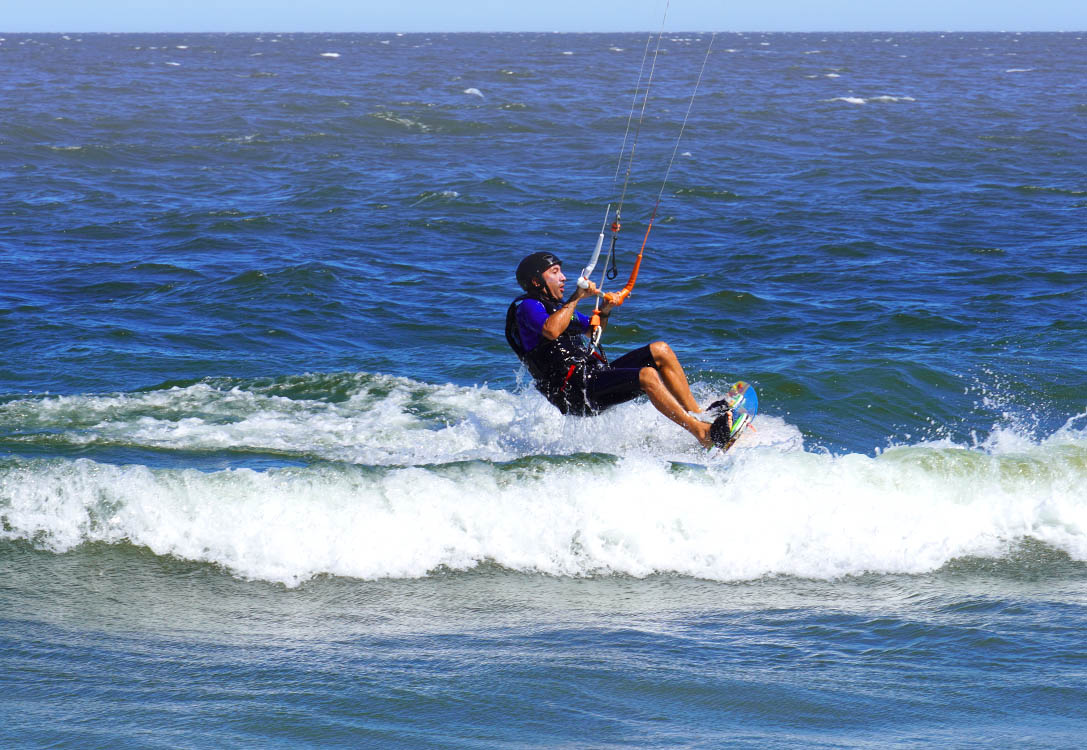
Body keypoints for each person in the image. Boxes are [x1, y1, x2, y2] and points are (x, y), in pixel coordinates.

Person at [505, 251, 728, 448]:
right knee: (647, 375)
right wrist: (577, 297)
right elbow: (551, 330)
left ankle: (700, 417)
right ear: (536, 281)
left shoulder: (561, 309)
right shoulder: (527, 307)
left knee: (660, 349)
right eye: (555, 272)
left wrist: (605, 309)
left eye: (561, 271)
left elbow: (593, 332)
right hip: (572, 392)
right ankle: (701, 433)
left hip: (591, 376)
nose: (563, 277)